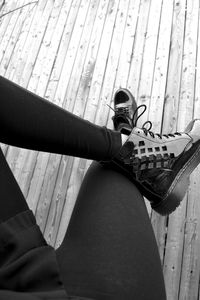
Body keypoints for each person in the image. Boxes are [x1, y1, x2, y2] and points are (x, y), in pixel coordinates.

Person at [0, 76, 200, 300]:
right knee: (115, 166)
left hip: (10, 255)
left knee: (117, 162)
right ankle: (129, 136)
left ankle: (126, 135)